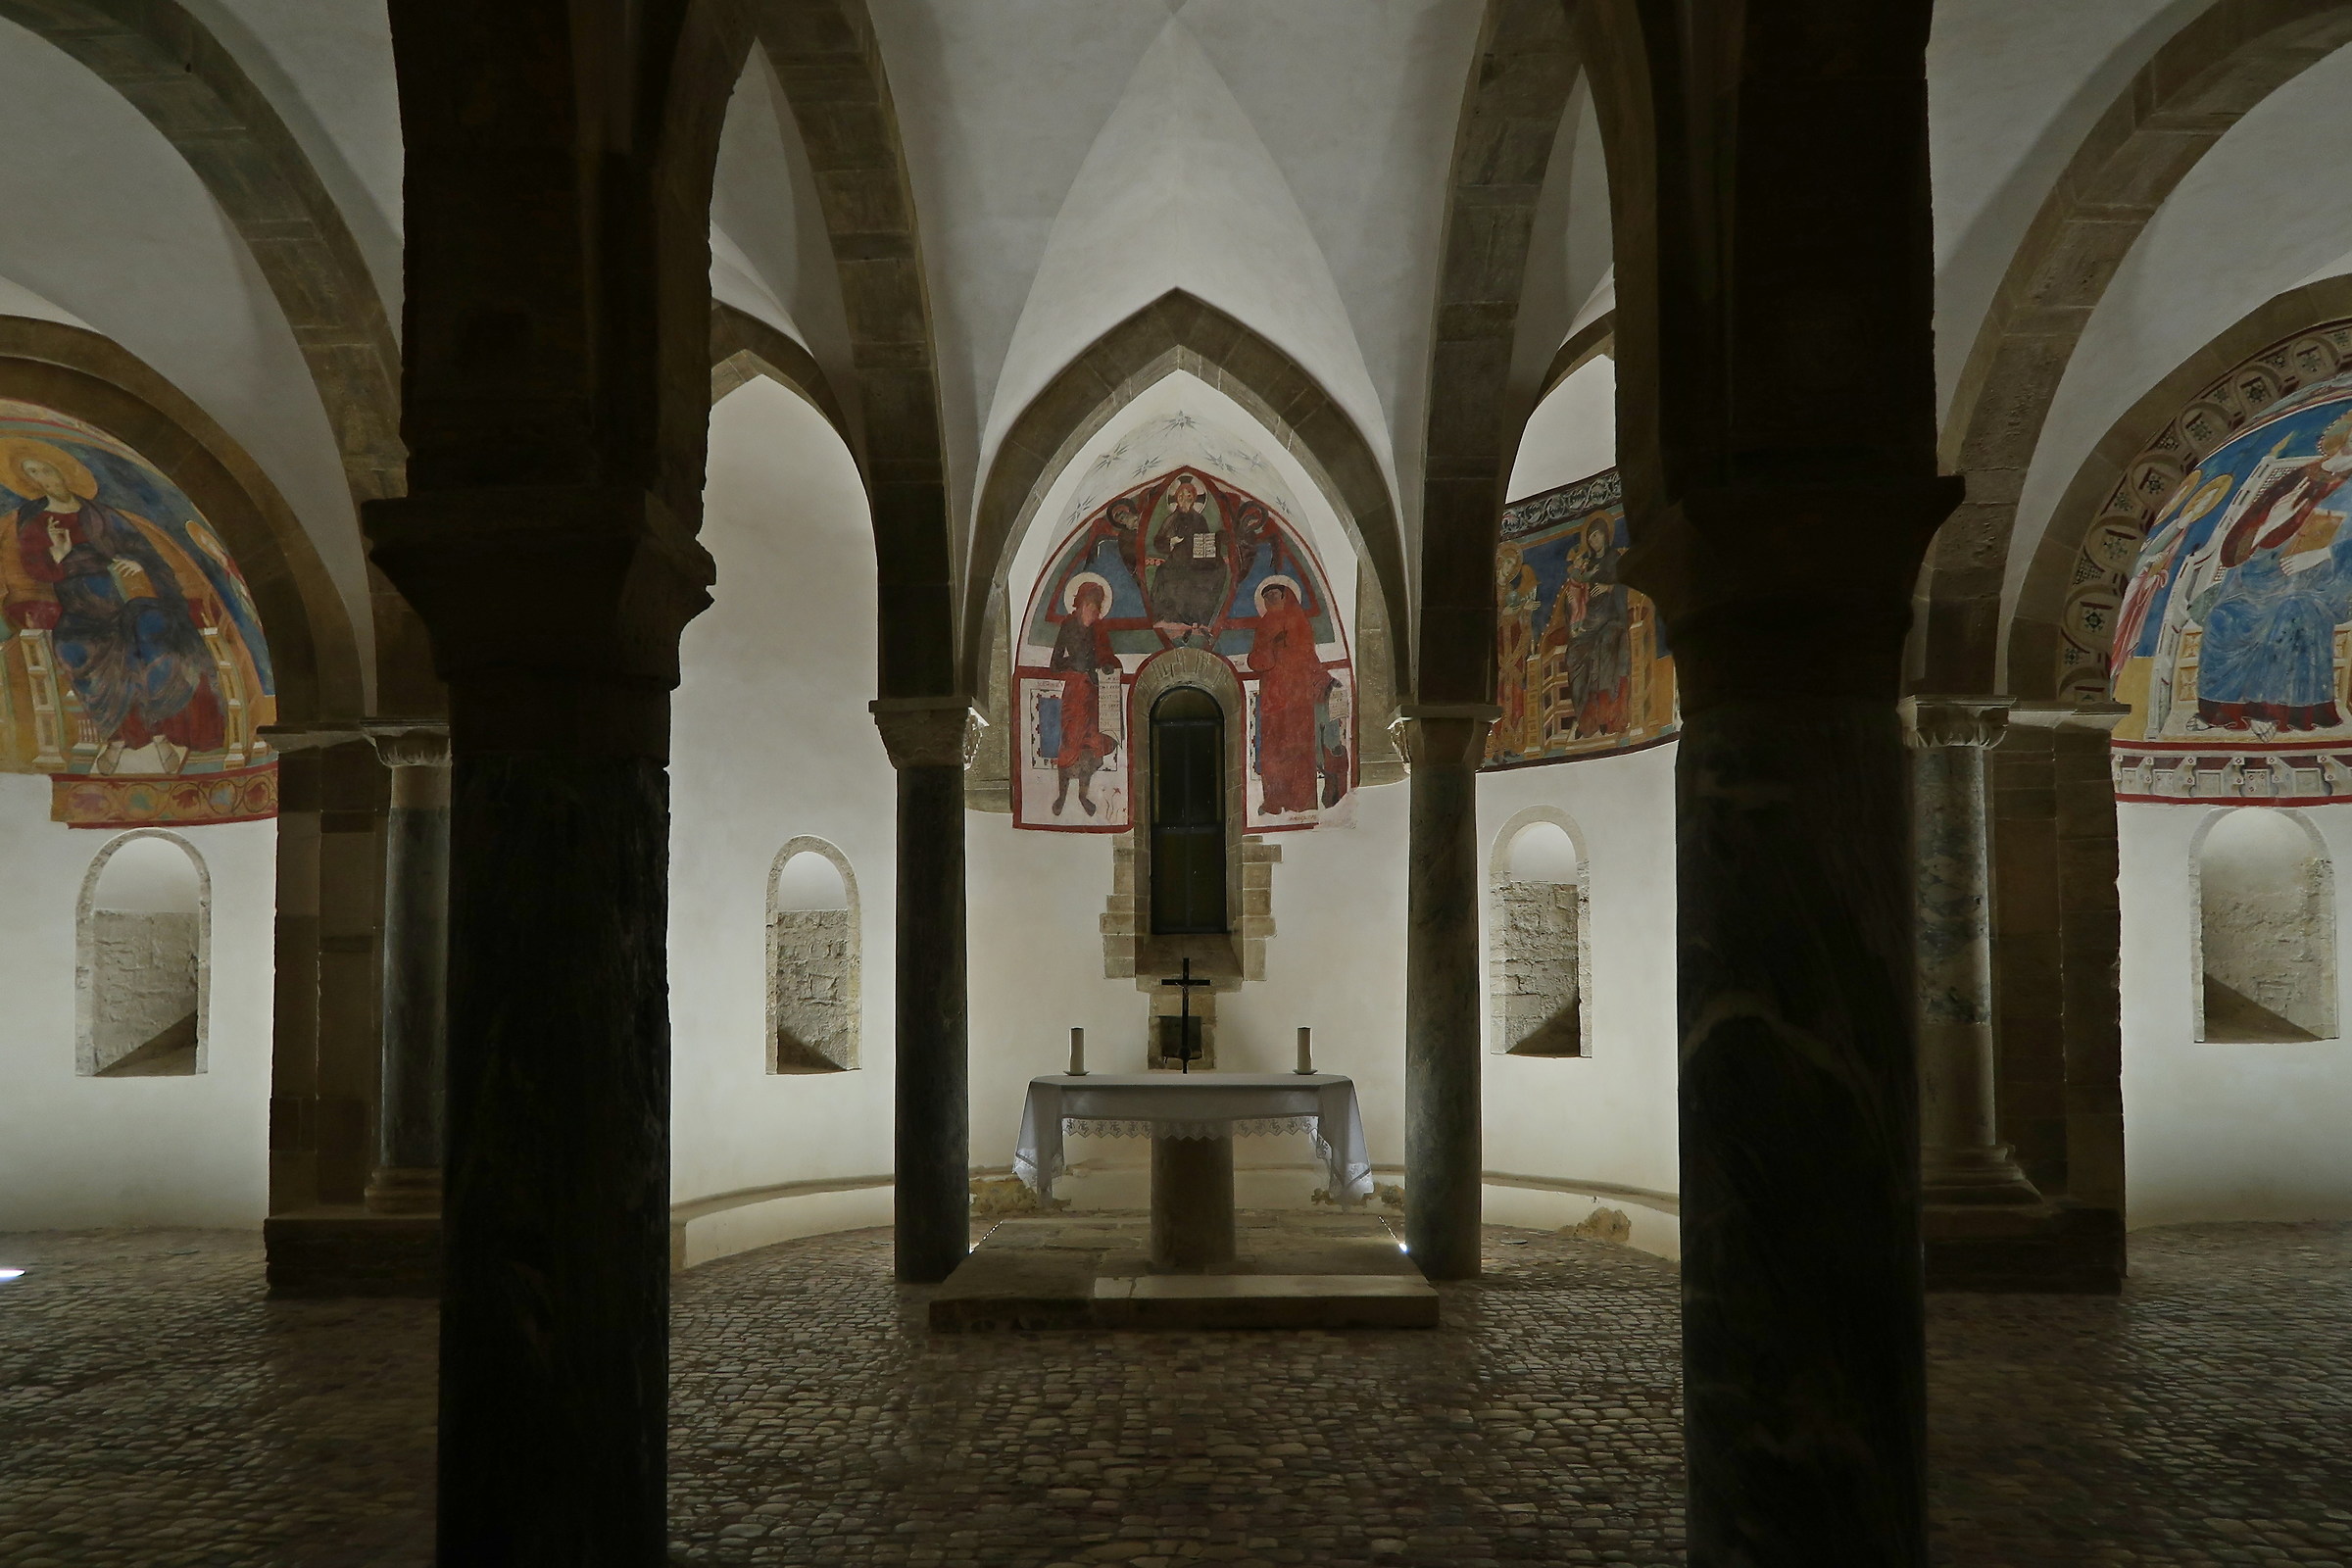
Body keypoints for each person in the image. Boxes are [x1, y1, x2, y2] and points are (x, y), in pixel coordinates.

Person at [0, 438, 226, 774]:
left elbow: (143, 551)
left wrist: (139, 564)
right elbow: (36, 569)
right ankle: (123, 738)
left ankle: (161, 732)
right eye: (34, 474)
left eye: (46, 470)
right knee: (85, 649)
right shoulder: (33, 520)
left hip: (127, 596)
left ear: (63, 472)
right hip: (79, 606)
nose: (43, 479)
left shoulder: (103, 515)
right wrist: (60, 556)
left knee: (155, 634)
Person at [1245, 579, 1336, 814]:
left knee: (1299, 746)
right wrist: (1270, 647)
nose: (1272, 600)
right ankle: (1274, 800)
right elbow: (1256, 660)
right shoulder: (1264, 625)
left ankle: (1301, 801)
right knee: (1274, 749)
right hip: (1273, 696)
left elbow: (1308, 655)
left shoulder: (1300, 623)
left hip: (1298, 696)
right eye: (1268, 597)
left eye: (1276, 595)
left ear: (1287, 596)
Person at [1047, 578, 1120, 816]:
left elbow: (1108, 656)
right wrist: (1073, 663)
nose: (1095, 613)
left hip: (1093, 692)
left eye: (1097, 609)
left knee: (1092, 745)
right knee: (1070, 743)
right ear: (1080, 605)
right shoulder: (1068, 626)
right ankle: (1061, 795)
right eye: (1091, 607)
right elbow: (1054, 664)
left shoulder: (1099, 629)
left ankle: (1083, 795)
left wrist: (1107, 665)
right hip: (1075, 693)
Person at [1146, 474, 1229, 642]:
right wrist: (1172, 541)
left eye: (1189, 497)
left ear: (1194, 499)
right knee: (1172, 576)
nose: (1185, 500)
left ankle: (1200, 620)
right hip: (1177, 560)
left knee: (1218, 570)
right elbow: (1159, 541)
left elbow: (1206, 540)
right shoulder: (1172, 518)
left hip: (1199, 560)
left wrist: (1215, 541)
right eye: (1182, 496)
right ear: (1177, 499)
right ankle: (1175, 620)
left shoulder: (1199, 519)